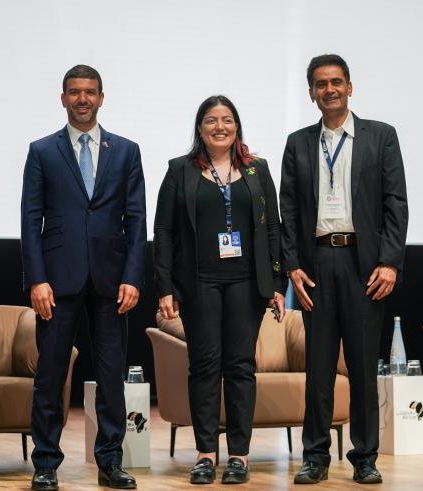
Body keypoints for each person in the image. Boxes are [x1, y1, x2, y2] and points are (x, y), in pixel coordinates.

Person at [279, 54, 408, 485]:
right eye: (320, 84)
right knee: (317, 371)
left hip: (364, 265)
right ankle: (315, 456)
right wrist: (292, 266)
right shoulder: (297, 142)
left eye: (336, 82)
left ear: (350, 87)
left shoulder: (381, 137)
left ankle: (365, 457)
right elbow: (289, 211)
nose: (329, 89)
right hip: (316, 264)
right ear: (311, 92)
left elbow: (396, 203)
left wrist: (390, 261)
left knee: (361, 368)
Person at [21, 64, 146, 490]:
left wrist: (133, 276)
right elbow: (30, 219)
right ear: (63, 98)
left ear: (101, 97)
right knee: (51, 376)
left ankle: (111, 462)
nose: (82, 99)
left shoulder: (126, 151)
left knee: (111, 376)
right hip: (57, 283)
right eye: (74, 92)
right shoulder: (42, 151)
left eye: (90, 92)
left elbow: (137, 220)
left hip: (113, 284)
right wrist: (36, 279)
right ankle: (46, 464)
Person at [154, 95, 286, 485]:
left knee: (241, 366)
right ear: (199, 128)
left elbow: (273, 229)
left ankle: (240, 456)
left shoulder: (257, 170)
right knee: (205, 366)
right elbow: (163, 231)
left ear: (237, 126)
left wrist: (277, 284)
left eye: (227, 120)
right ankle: (206, 453)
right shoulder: (180, 170)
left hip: (248, 282)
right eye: (211, 120)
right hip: (199, 283)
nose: (220, 127)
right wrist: (165, 285)